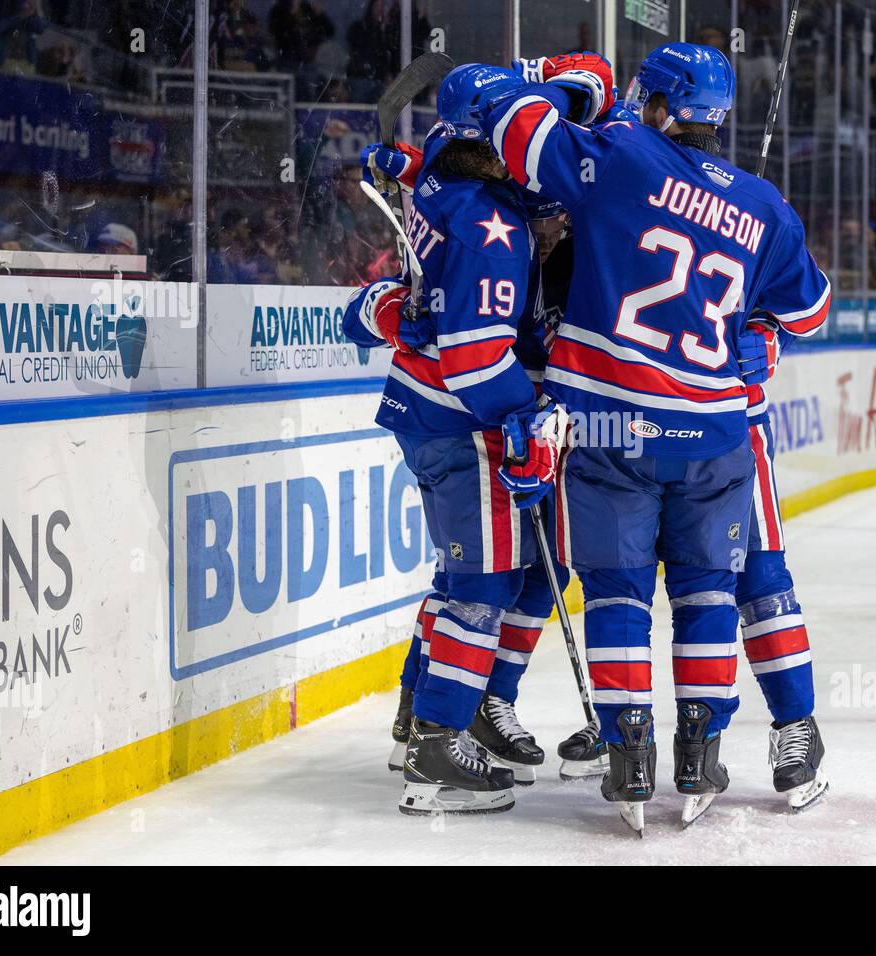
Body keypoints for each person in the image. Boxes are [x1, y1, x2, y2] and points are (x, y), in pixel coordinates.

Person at [476, 44, 831, 829]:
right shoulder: (763, 203)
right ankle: (698, 753)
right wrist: (762, 335)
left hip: (612, 424)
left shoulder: (620, 156)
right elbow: (811, 309)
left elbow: (513, 127)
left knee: (625, 592)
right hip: (714, 430)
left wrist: (530, 77)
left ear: (661, 103)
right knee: (715, 591)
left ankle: (642, 748)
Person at [341, 63, 563, 815]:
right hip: (463, 418)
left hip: (423, 409)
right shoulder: (488, 228)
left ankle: (416, 719)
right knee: (484, 584)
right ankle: (437, 750)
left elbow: (433, 158)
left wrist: (403, 163)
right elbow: (473, 354)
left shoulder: (442, 173)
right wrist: (520, 420)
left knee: (463, 574)